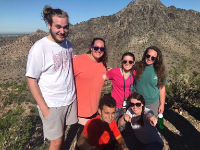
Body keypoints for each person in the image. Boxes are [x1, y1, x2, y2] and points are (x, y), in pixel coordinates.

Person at [25, 6, 77, 150]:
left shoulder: (68, 45)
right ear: (49, 26)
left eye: (65, 27)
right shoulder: (39, 48)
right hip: (52, 103)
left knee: (62, 135)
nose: (62, 31)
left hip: (69, 100)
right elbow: (31, 79)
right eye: (58, 27)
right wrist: (44, 109)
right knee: (56, 142)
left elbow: (74, 63)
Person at [65, 38, 108, 148]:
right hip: (78, 109)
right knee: (75, 140)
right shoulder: (79, 60)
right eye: (96, 48)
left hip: (93, 110)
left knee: (82, 139)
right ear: (91, 47)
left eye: (101, 49)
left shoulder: (102, 65)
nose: (99, 50)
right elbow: (65, 80)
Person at [132, 46, 167, 116]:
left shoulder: (159, 71)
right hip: (136, 102)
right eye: (148, 56)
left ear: (156, 59)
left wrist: (162, 104)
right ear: (145, 55)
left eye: (153, 58)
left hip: (152, 104)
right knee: (136, 125)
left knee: (150, 124)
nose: (149, 59)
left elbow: (162, 88)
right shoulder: (136, 66)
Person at [105, 52, 136, 124]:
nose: (127, 63)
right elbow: (103, 78)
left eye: (130, 62)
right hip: (115, 105)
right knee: (112, 126)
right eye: (125, 61)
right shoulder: (114, 72)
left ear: (133, 63)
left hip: (128, 105)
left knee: (124, 126)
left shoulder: (134, 73)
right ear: (121, 62)